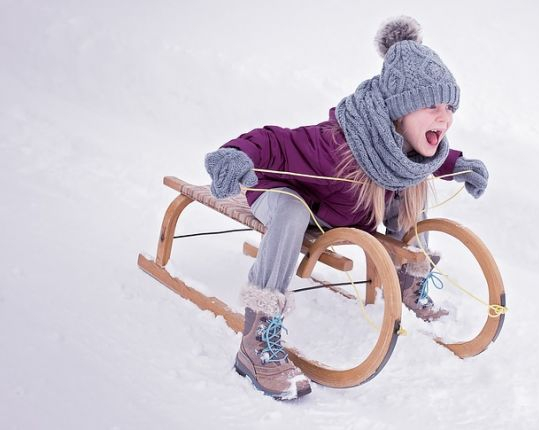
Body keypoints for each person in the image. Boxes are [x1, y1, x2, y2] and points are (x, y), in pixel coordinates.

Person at [204, 16, 488, 401]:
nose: (445, 116)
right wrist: (235, 155)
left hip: (343, 210)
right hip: (281, 193)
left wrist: (459, 165)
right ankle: (256, 340)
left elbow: (431, 158)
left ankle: (407, 279)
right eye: (433, 105)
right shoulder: (336, 146)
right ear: (400, 111)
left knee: (410, 185)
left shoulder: (400, 148)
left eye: (450, 106)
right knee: (290, 210)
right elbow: (274, 142)